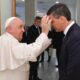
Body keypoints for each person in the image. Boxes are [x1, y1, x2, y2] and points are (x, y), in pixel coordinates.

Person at [42, 3, 80, 80]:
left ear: (62, 19)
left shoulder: (75, 37)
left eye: (52, 21)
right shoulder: (69, 33)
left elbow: (74, 73)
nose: (51, 25)